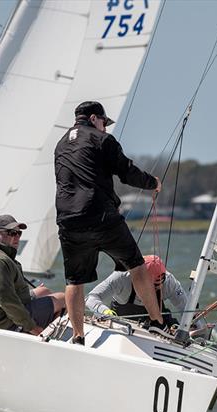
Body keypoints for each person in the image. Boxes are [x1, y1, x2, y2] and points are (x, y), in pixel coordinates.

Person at [54, 100, 165, 345]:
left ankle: (78, 336)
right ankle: (158, 324)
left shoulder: (61, 145)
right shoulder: (101, 139)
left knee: (74, 280)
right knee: (136, 265)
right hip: (101, 217)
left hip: (68, 221)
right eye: (105, 122)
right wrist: (152, 183)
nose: (106, 127)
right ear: (95, 118)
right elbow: (127, 173)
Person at [0, 214, 65, 334]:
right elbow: (7, 301)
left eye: (19, 233)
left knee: (43, 291)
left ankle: (49, 330)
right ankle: (47, 336)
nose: (17, 237)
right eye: (11, 233)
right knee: (63, 298)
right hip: (2, 324)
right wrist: (32, 327)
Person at [86, 255, 206, 333]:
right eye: (152, 286)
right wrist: (105, 312)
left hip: (157, 319)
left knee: (177, 327)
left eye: (159, 284)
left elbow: (186, 310)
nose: (154, 290)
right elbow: (91, 298)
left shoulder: (169, 282)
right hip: (121, 319)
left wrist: (197, 327)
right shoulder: (121, 277)